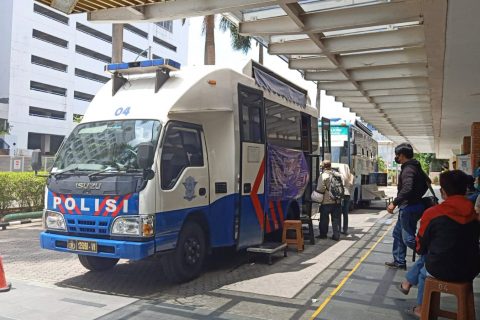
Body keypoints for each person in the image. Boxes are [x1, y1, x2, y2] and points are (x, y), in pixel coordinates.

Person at [397, 170, 480, 317]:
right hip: (470, 270)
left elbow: (419, 247)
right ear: (465, 189)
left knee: (426, 265)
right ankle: (408, 283)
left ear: (442, 192)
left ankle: (421, 308)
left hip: (441, 269)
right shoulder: (474, 215)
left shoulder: (433, 213)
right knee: (433, 255)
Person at [386, 143, 430, 270]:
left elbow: (407, 188)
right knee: (398, 234)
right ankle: (399, 261)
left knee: (408, 238)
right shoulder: (416, 166)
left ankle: (430, 253)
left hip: (409, 208)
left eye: (397, 155)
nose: (396, 157)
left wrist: (394, 203)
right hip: (414, 206)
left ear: (402, 155)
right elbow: (428, 182)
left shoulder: (408, 169)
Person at [316, 160, 344, 241]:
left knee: (324, 219)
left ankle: (323, 234)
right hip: (337, 201)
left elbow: (320, 188)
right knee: (336, 219)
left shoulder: (323, 176)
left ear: (323, 167)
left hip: (326, 201)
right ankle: (336, 235)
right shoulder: (337, 174)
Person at [339, 165, 354, 235]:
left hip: (341, 195)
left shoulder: (341, 175)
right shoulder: (351, 176)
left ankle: (338, 229)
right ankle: (345, 229)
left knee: (338, 213)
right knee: (345, 213)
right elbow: (351, 185)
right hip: (348, 195)